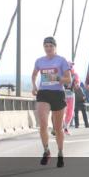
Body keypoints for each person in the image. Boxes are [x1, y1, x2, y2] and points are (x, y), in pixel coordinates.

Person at [32, 36, 73, 167]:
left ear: (55, 47)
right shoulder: (39, 61)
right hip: (43, 93)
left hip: (57, 93)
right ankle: (46, 151)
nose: (48, 48)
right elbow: (34, 74)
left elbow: (68, 79)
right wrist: (34, 86)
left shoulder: (61, 61)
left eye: (51, 46)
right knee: (43, 124)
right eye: (46, 46)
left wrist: (58, 78)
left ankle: (60, 153)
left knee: (58, 128)